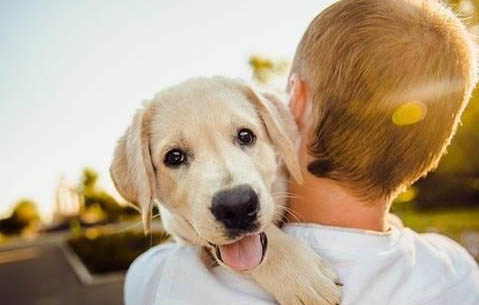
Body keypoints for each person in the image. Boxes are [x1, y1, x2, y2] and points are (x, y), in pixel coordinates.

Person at [124, 0, 479, 304]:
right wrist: (270, 253)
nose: (230, 188)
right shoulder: (456, 272)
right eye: (176, 158)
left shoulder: (158, 281)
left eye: (245, 136)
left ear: (295, 101)